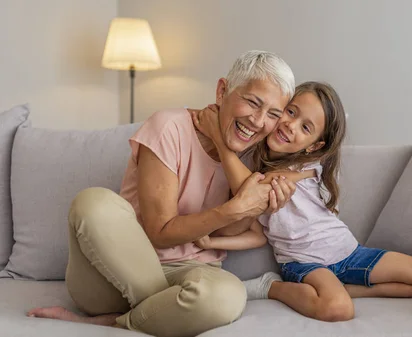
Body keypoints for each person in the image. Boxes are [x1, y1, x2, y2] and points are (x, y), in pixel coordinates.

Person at [26, 50, 297, 337]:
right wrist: (234, 207)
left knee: (228, 296)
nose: (258, 121)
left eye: (273, 114)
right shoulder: (168, 126)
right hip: (112, 275)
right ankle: (157, 314)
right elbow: (160, 231)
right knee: (92, 203)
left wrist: (230, 158)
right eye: (253, 103)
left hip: (188, 276)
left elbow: (231, 230)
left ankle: (115, 322)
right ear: (222, 91)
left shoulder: (254, 152)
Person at [190, 81, 412, 323]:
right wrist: (212, 240)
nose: (291, 125)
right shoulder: (251, 171)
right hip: (304, 263)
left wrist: (220, 141)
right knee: (337, 309)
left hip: (350, 253)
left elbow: (258, 186)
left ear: (314, 146)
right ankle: (272, 287)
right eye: (291, 112)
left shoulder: (309, 168)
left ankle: (348, 290)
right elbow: (256, 233)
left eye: (306, 128)